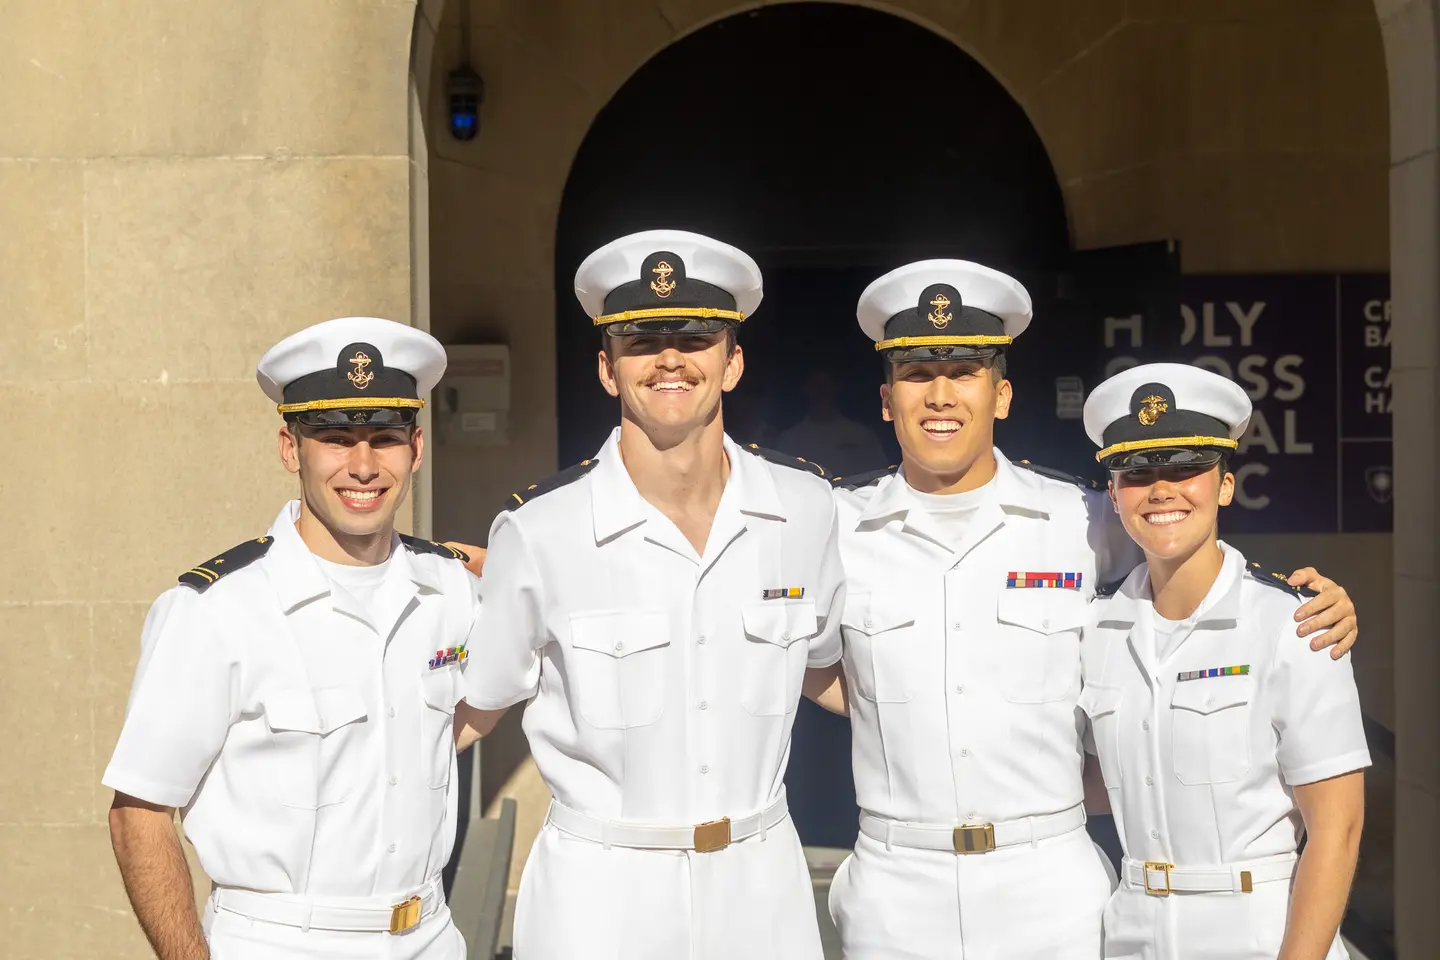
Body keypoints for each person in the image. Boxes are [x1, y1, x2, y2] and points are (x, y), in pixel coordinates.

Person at [803, 261, 1359, 960]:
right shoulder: (828, 526)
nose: (940, 395)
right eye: (916, 373)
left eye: (966, 371)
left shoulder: (1082, 520)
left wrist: (1316, 602)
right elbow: (773, 646)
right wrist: (892, 703)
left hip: (1050, 888)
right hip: (895, 886)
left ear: (1001, 393)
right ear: (886, 399)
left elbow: (1188, 563)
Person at [456, 230, 846, 960]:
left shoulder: (805, 509)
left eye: (695, 337)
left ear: (731, 362)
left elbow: (835, 672)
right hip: (601, 899)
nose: (670, 359)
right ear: (607, 369)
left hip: (761, 889)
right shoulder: (540, 530)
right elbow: (473, 708)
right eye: (642, 342)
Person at [103, 317, 481, 960]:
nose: (363, 466)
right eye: (335, 440)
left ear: (416, 449)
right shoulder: (217, 610)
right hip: (284, 942)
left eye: (384, 439)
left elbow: (473, 702)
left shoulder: (451, 590)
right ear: (290, 448)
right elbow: (139, 812)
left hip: (431, 935)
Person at [1078, 363, 1369, 960]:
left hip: (1259, 932)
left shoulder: (1293, 623)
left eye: (1186, 468)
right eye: (1137, 472)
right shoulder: (1094, 629)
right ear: (1112, 493)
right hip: (1131, 931)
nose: (1162, 489)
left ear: (1226, 484)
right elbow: (1095, 783)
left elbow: (1336, 831)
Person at [776, 366, 889, 477]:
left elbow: (878, 476)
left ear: (836, 387)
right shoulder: (790, 439)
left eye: (825, 384)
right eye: (815, 385)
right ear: (805, 389)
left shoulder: (861, 436)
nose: (820, 390)